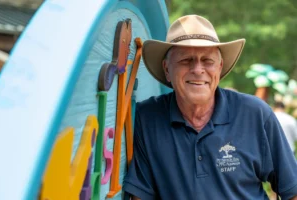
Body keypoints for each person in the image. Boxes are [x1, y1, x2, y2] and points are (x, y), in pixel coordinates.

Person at [123, 15, 297, 199]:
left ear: (219, 67)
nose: (198, 70)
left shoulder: (255, 114)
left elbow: (292, 190)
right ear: (167, 69)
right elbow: (139, 195)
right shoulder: (147, 118)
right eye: (186, 60)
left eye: (207, 61)